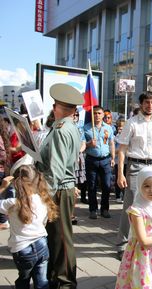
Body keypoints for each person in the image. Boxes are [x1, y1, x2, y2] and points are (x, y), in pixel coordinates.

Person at [35, 83, 84, 289]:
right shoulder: (66, 127)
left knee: (61, 240)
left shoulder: (61, 130)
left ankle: (65, 282)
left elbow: (55, 171)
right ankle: (58, 278)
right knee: (57, 238)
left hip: (59, 191)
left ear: (57, 107)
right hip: (62, 189)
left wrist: (43, 197)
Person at [116, 91, 152, 258]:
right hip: (135, 167)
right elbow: (122, 149)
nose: (150, 106)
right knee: (131, 206)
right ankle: (122, 244)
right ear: (141, 104)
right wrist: (121, 174)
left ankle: (148, 239)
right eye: (147, 102)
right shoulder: (131, 123)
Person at [0, 166, 58, 289]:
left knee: (24, 278)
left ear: (16, 182)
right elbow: (44, 222)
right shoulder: (43, 199)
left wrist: (3, 186)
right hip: (42, 244)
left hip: (22, 249)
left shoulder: (12, 203)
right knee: (42, 281)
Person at [82, 105, 115, 219]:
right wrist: (89, 144)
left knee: (106, 185)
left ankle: (104, 209)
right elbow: (82, 145)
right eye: (94, 113)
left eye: (99, 113)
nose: (97, 115)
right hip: (92, 160)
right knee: (92, 186)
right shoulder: (86, 128)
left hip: (105, 159)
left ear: (103, 115)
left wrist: (113, 157)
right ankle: (93, 209)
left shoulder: (108, 128)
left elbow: (111, 143)